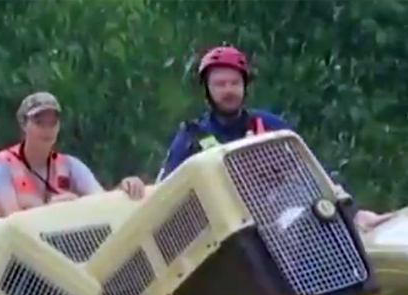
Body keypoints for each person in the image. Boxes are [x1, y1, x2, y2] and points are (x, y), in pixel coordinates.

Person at [156, 45, 392, 233]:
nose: (228, 90)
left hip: (276, 223)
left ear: (245, 86)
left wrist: (354, 211)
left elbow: (314, 169)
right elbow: (164, 192)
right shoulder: (192, 136)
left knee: (314, 191)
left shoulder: (268, 125)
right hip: (222, 232)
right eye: (220, 84)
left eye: (235, 83)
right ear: (207, 90)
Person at [0, 91, 147, 218]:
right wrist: (50, 209)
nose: (47, 129)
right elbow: (10, 221)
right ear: (23, 124)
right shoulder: (1, 168)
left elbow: (102, 202)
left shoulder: (70, 165)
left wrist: (124, 189)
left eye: (53, 122)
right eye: (39, 122)